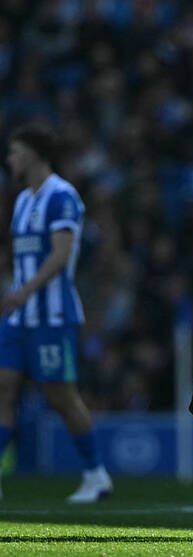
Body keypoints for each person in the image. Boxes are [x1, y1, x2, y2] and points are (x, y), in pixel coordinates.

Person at [0, 122, 112, 503]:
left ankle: (96, 475)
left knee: (61, 396)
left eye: (15, 152)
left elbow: (61, 256)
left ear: (33, 154)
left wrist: (23, 291)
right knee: (3, 386)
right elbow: (20, 257)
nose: (9, 160)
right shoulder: (22, 201)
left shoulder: (62, 195)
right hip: (19, 317)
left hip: (53, 316)